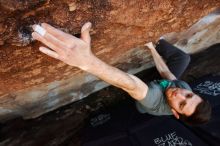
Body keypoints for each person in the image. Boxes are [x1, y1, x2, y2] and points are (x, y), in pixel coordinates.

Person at [32, 22, 211, 126]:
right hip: (158, 84)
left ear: (175, 113)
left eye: (181, 103)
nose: (180, 94)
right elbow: (166, 72)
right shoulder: (183, 88)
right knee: (183, 59)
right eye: (188, 95)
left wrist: (88, 62)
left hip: (144, 98)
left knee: (137, 88)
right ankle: (159, 43)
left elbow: (130, 84)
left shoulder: (154, 101)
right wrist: (151, 48)